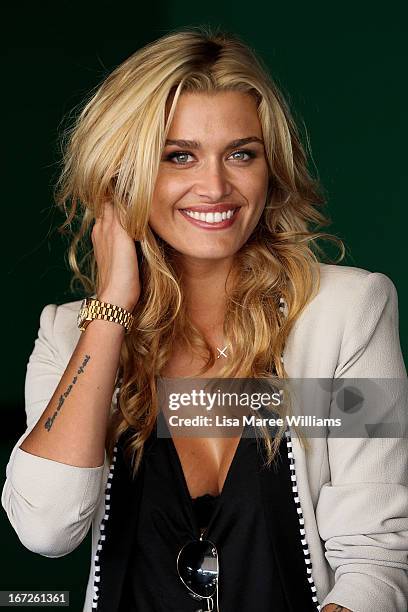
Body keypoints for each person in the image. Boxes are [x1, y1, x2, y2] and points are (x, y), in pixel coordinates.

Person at [2, 26, 407, 612]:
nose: (215, 186)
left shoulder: (347, 313)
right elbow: (46, 529)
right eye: (179, 156)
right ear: (123, 175)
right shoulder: (73, 336)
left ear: (272, 170)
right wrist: (112, 307)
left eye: (241, 154)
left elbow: (377, 559)